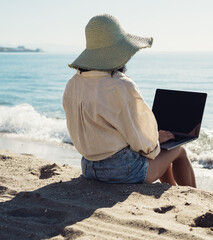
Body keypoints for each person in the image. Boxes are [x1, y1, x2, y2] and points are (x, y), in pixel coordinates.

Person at [63, 14, 196, 187]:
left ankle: (172, 189)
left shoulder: (73, 83)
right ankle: (193, 195)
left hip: (88, 167)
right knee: (177, 150)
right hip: (121, 171)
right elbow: (144, 145)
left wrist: (154, 143)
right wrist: (155, 140)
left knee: (161, 152)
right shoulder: (121, 85)